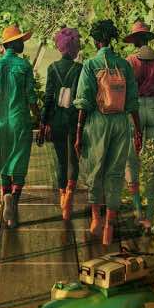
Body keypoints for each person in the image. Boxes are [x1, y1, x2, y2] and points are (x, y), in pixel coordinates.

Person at [74, 19, 142, 246]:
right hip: (122, 123)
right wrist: (138, 130)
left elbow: (84, 100)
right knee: (115, 172)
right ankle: (110, 227)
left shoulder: (91, 65)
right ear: (111, 38)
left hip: (98, 123)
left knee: (95, 169)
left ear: (96, 40)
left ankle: (96, 219)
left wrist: (78, 132)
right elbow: (132, 101)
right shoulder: (124, 65)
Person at [0, 24, 36, 227]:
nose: (23, 44)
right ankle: (13, 205)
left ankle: (6, 196)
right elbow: (31, 97)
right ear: (14, 44)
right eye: (21, 41)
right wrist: (39, 117)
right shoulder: (24, 67)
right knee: (19, 164)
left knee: (4, 162)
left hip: (0, 121)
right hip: (20, 120)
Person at [123, 20, 154, 227]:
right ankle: (150, 214)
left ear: (134, 41)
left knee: (132, 159)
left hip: (136, 110)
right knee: (153, 161)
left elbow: (127, 92)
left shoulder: (130, 61)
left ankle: (137, 209)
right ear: (148, 39)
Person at [39, 26, 85, 218]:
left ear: (60, 47)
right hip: (74, 120)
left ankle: (61, 196)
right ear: (73, 48)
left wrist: (44, 122)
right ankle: (69, 198)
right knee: (73, 160)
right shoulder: (80, 68)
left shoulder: (52, 68)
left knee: (60, 160)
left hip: (57, 119)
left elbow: (48, 97)